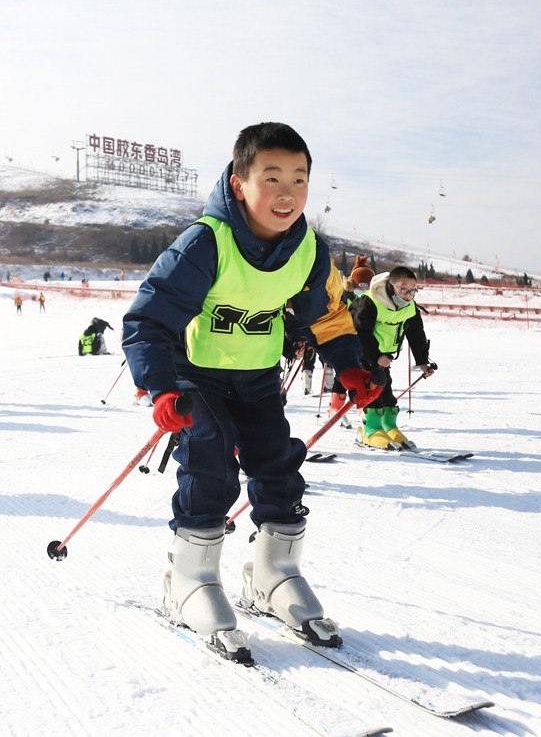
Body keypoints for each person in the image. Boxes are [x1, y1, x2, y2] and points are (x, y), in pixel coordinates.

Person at [122, 122, 382, 662]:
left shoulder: (309, 251)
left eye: (300, 178)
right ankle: (190, 579)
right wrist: (160, 387)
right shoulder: (205, 242)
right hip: (199, 373)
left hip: (258, 376)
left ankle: (274, 574)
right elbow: (148, 318)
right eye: (271, 177)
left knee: (279, 465)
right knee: (211, 464)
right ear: (239, 183)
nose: (287, 193)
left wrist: (350, 369)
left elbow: (329, 315)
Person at [351, 265, 436, 449]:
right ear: (391, 286)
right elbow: (359, 334)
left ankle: (389, 426)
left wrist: (422, 362)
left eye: (412, 290)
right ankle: (370, 429)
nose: (408, 294)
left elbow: (416, 334)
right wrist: (375, 356)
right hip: (364, 354)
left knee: (386, 391)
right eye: (403, 289)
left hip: (384, 357)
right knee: (371, 391)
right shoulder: (370, 301)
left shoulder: (409, 307)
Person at [327, 255, 376, 426]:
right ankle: (335, 406)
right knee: (344, 373)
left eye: (367, 286)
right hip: (345, 339)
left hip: (366, 341)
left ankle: (363, 406)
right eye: (359, 286)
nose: (363, 289)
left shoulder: (373, 300)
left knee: (365, 372)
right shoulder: (346, 296)